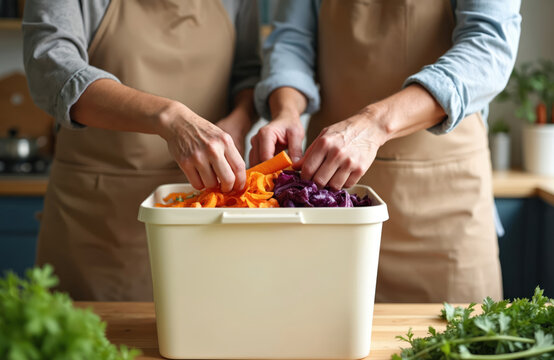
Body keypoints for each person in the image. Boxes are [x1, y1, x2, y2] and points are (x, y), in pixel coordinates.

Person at [251, 0, 521, 302]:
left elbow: (488, 48)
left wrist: (375, 123)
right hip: (328, 202)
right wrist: (287, 111)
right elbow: (291, 41)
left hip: (446, 205)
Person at [23, 0, 260, 301]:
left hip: (207, 213)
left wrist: (239, 122)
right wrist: (170, 118)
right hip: (97, 219)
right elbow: (52, 67)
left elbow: (248, 73)